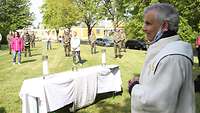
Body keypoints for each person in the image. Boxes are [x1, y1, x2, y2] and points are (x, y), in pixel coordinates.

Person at [128, 3, 195, 113]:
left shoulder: (173, 57)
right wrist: (141, 81)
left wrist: (133, 87)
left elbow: (158, 103)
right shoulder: (166, 50)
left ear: (164, 26)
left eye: (148, 23)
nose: (143, 28)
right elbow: (159, 85)